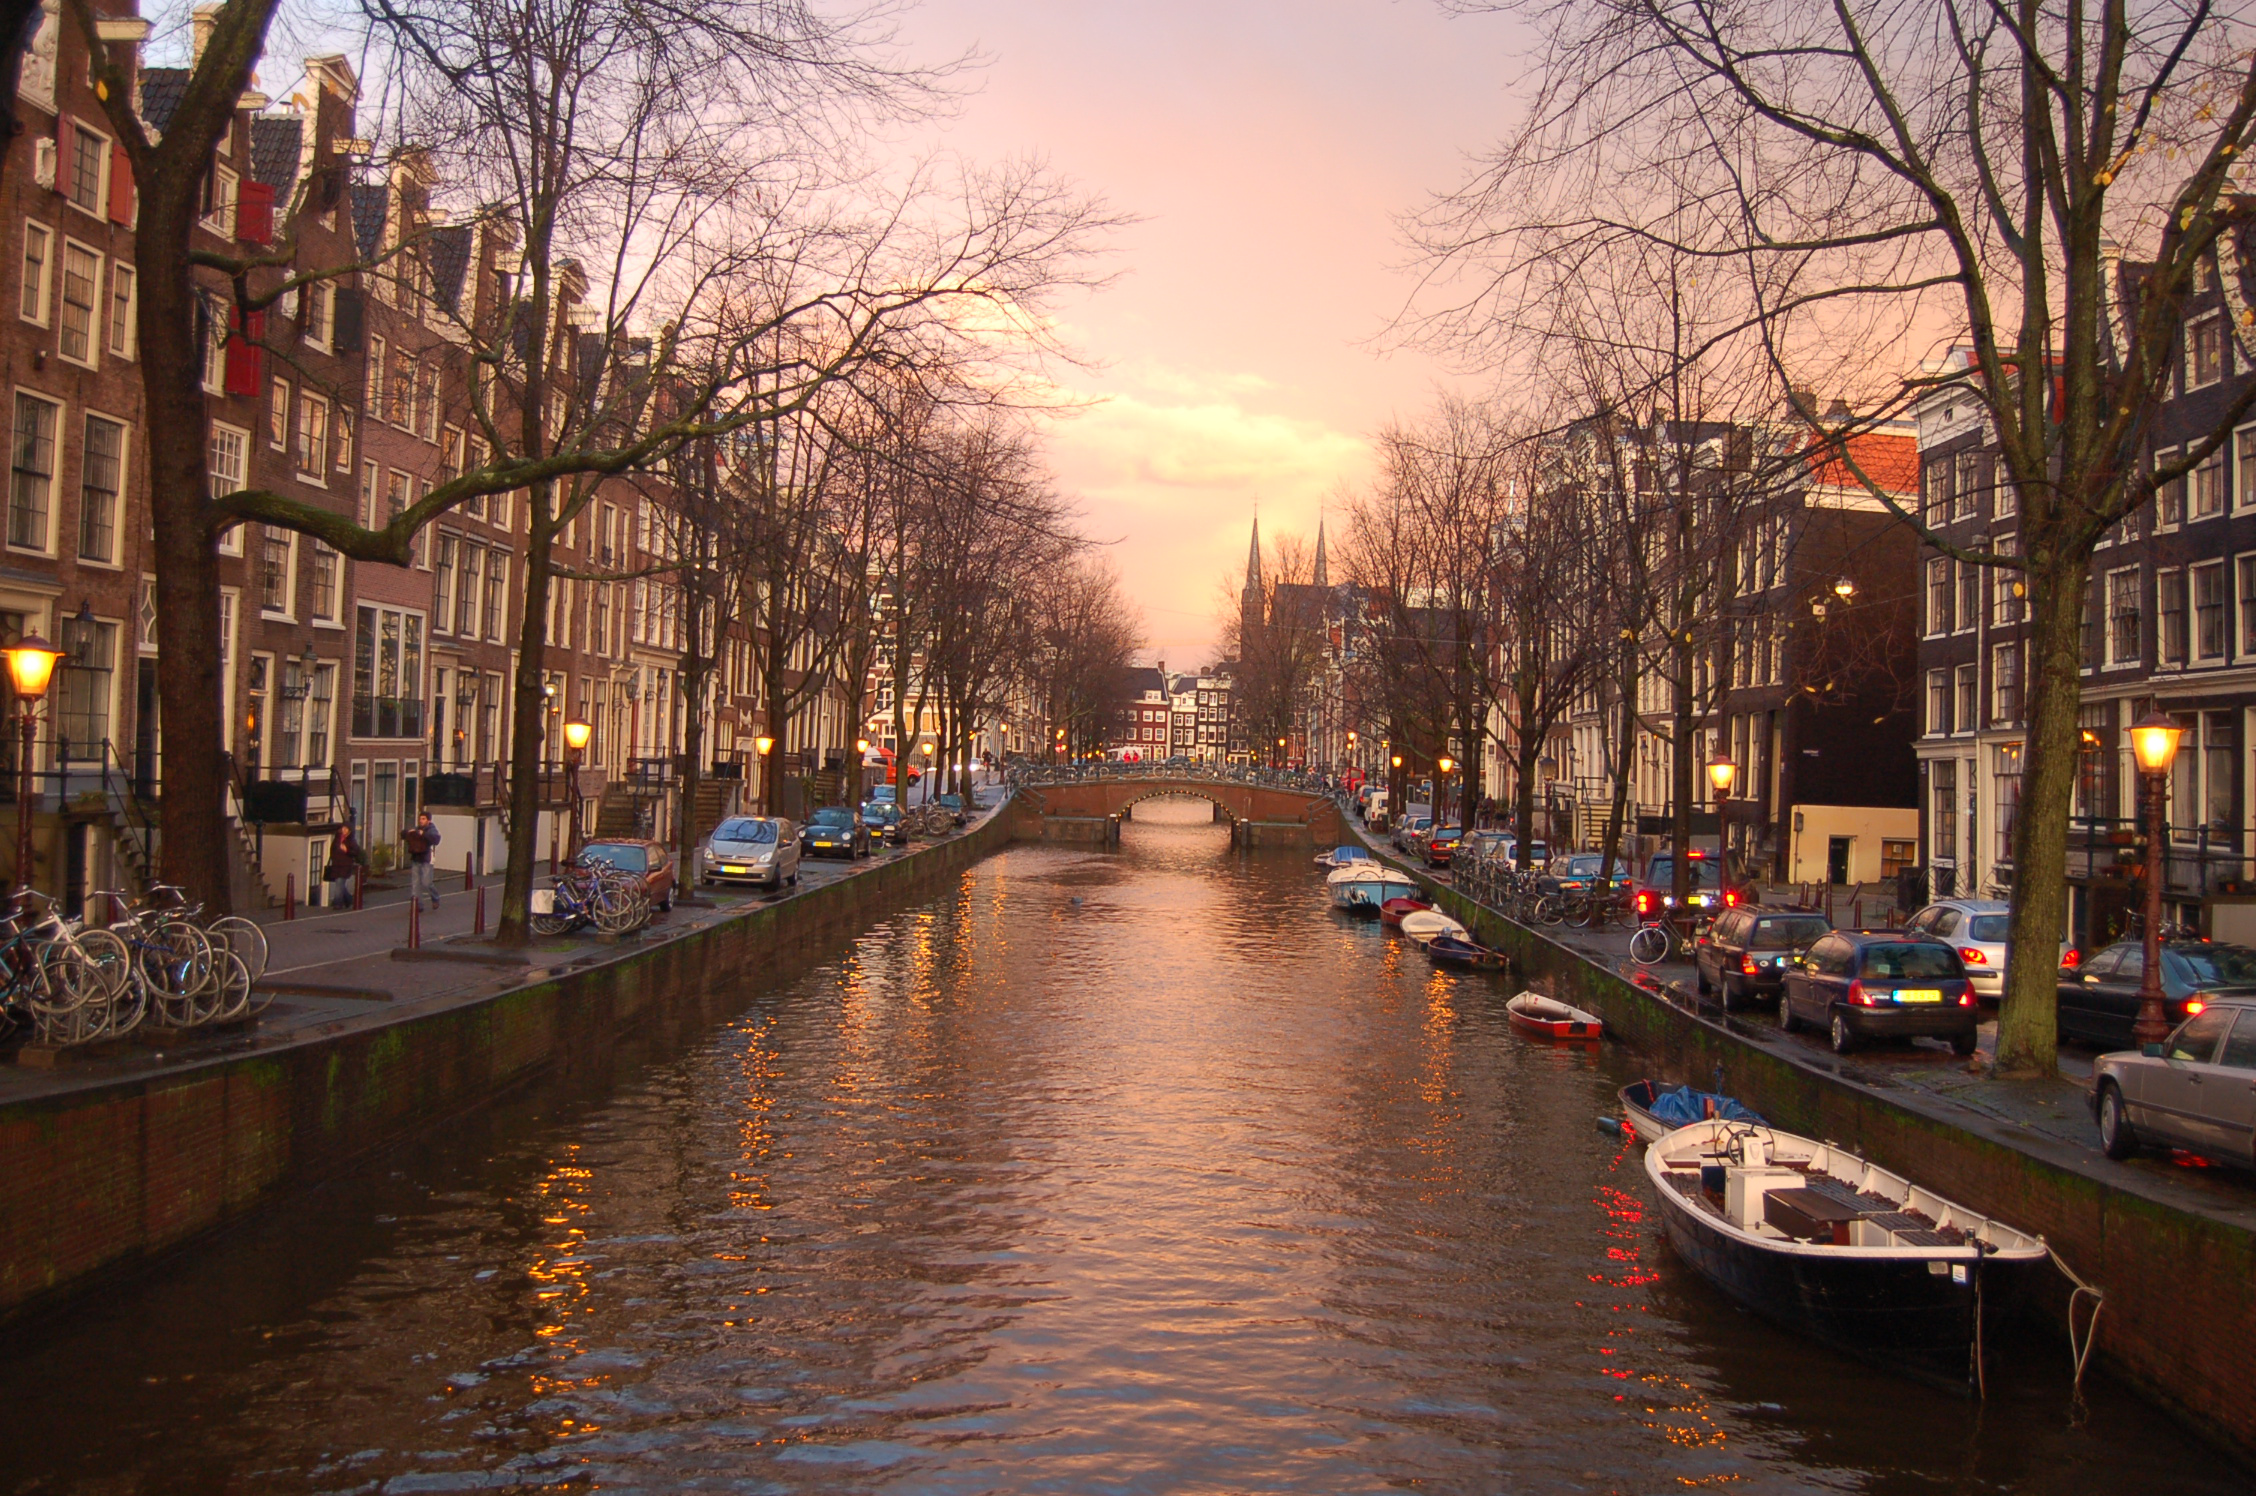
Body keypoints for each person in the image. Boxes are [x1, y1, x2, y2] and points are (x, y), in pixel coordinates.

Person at [404, 810, 442, 910]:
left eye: (423, 819)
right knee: (415, 884)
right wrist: (407, 833)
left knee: (426, 882)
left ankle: (435, 898)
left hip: (426, 859)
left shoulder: (431, 829)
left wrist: (423, 834)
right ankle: (418, 905)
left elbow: (436, 839)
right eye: (420, 819)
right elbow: (404, 836)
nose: (421, 821)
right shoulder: (416, 828)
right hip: (416, 858)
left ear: (428, 820)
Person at [324, 824, 361, 908]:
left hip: (345, 865)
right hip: (336, 864)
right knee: (339, 884)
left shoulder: (351, 840)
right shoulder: (337, 839)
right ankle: (348, 899)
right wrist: (333, 858)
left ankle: (337, 903)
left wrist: (347, 850)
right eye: (343, 828)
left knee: (339, 882)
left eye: (346, 828)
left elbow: (356, 852)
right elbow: (332, 849)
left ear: (349, 831)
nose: (344, 830)